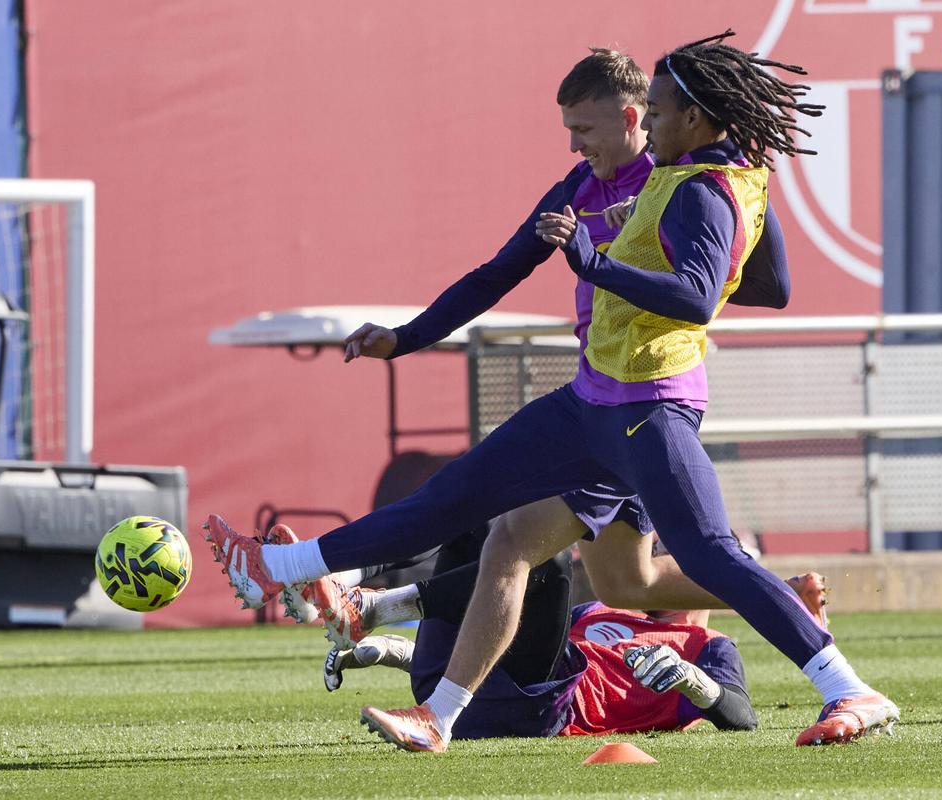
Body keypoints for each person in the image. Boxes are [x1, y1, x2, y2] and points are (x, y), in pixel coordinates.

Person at [204, 32, 897, 751]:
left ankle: (848, 687)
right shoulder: (683, 180)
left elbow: (696, 297)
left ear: (679, 118)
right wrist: (408, 337)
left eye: (655, 112)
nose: (648, 124)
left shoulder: (702, 188)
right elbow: (765, 282)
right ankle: (375, 657)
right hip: (593, 403)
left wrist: (601, 263)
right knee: (475, 511)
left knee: (706, 554)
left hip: (647, 406)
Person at [304, 526, 828, 741]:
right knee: (475, 526)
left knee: (546, 558)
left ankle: (373, 605)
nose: (665, 560)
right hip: (459, 690)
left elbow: (742, 718)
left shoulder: (709, 647)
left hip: (538, 708)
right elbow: (501, 624)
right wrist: (400, 654)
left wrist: (694, 683)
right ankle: (351, 580)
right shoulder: (604, 607)